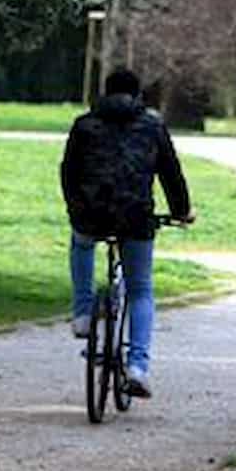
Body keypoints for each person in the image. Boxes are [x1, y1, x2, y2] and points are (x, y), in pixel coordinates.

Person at [60, 68, 194, 399]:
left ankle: (82, 313)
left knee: (81, 244)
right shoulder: (152, 125)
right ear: (137, 95)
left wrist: (75, 207)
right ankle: (138, 367)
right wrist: (181, 211)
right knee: (141, 290)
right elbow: (170, 172)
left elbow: (68, 171)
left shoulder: (84, 124)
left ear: (104, 93)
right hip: (136, 217)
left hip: (91, 215)